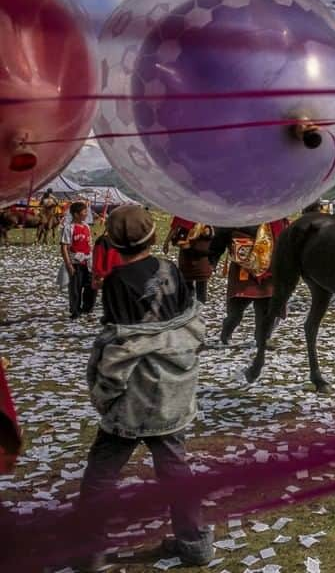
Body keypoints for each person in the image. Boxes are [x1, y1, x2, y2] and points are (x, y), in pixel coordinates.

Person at [75, 206, 211, 571]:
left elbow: (122, 341)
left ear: (114, 243)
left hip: (132, 396)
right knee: (175, 467)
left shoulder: (117, 280)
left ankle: (91, 550)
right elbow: (185, 324)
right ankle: (194, 543)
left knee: (102, 472)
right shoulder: (170, 269)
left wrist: (106, 391)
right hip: (172, 388)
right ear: (153, 237)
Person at [209, 219, 289, 346]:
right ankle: (227, 329)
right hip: (243, 269)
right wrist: (212, 259)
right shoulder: (239, 214)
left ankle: (262, 338)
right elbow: (221, 237)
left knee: (265, 308)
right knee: (235, 312)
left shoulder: (276, 217)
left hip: (269, 270)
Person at [163, 217, 214, 304]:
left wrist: (167, 242)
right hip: (188, 259)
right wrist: (166, 242)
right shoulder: (185, 215)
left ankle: (193, 308)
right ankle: (190, 307)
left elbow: (175, 228)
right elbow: (175, 228)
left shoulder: (206, 221)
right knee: (190, 288)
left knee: (196, 288)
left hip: (199, 260)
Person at [61, 202, 95, 321]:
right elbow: (64, 247)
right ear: (76, 214)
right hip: (75, 262)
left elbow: (89, 243)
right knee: (75, 288)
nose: (86, 214)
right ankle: (75, 311)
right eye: (84, 212)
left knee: (91, 286)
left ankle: (87, 308)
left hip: (88, 261)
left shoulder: (86, 226)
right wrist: (69, 265)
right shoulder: (68, 228)